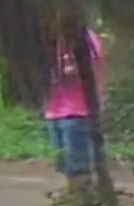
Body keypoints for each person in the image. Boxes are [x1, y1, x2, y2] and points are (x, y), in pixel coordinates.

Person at [44, 27, 106, 193]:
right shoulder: (46, 38)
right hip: (53, 110)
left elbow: (95, 69)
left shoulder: (83, 37)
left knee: (79, 165)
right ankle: (75, 195)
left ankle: (83, 200)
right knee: (64, 163)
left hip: (78, 109)